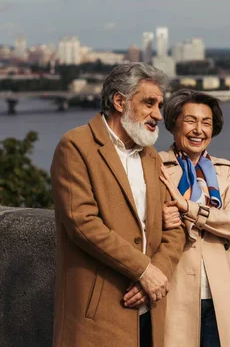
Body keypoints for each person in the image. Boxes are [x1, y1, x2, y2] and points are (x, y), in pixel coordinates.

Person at [50, 63, 186, 347]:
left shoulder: (152, 157)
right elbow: (82, 224)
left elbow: (174, 227)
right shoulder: (75, 147)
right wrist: (144, 271)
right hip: (100, 314)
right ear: (119, 101)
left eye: (160, 105)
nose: (158, 115)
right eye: (149, 103)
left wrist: (156, 273)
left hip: (151, 310)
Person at [158, 90, 230, 347]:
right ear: (173, 124)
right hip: (175, 290)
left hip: (221, 292)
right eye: (190, 121)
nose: (198, 130)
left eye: (206, 123)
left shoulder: (224, 174)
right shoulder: (157, 167)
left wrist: (188, 208)